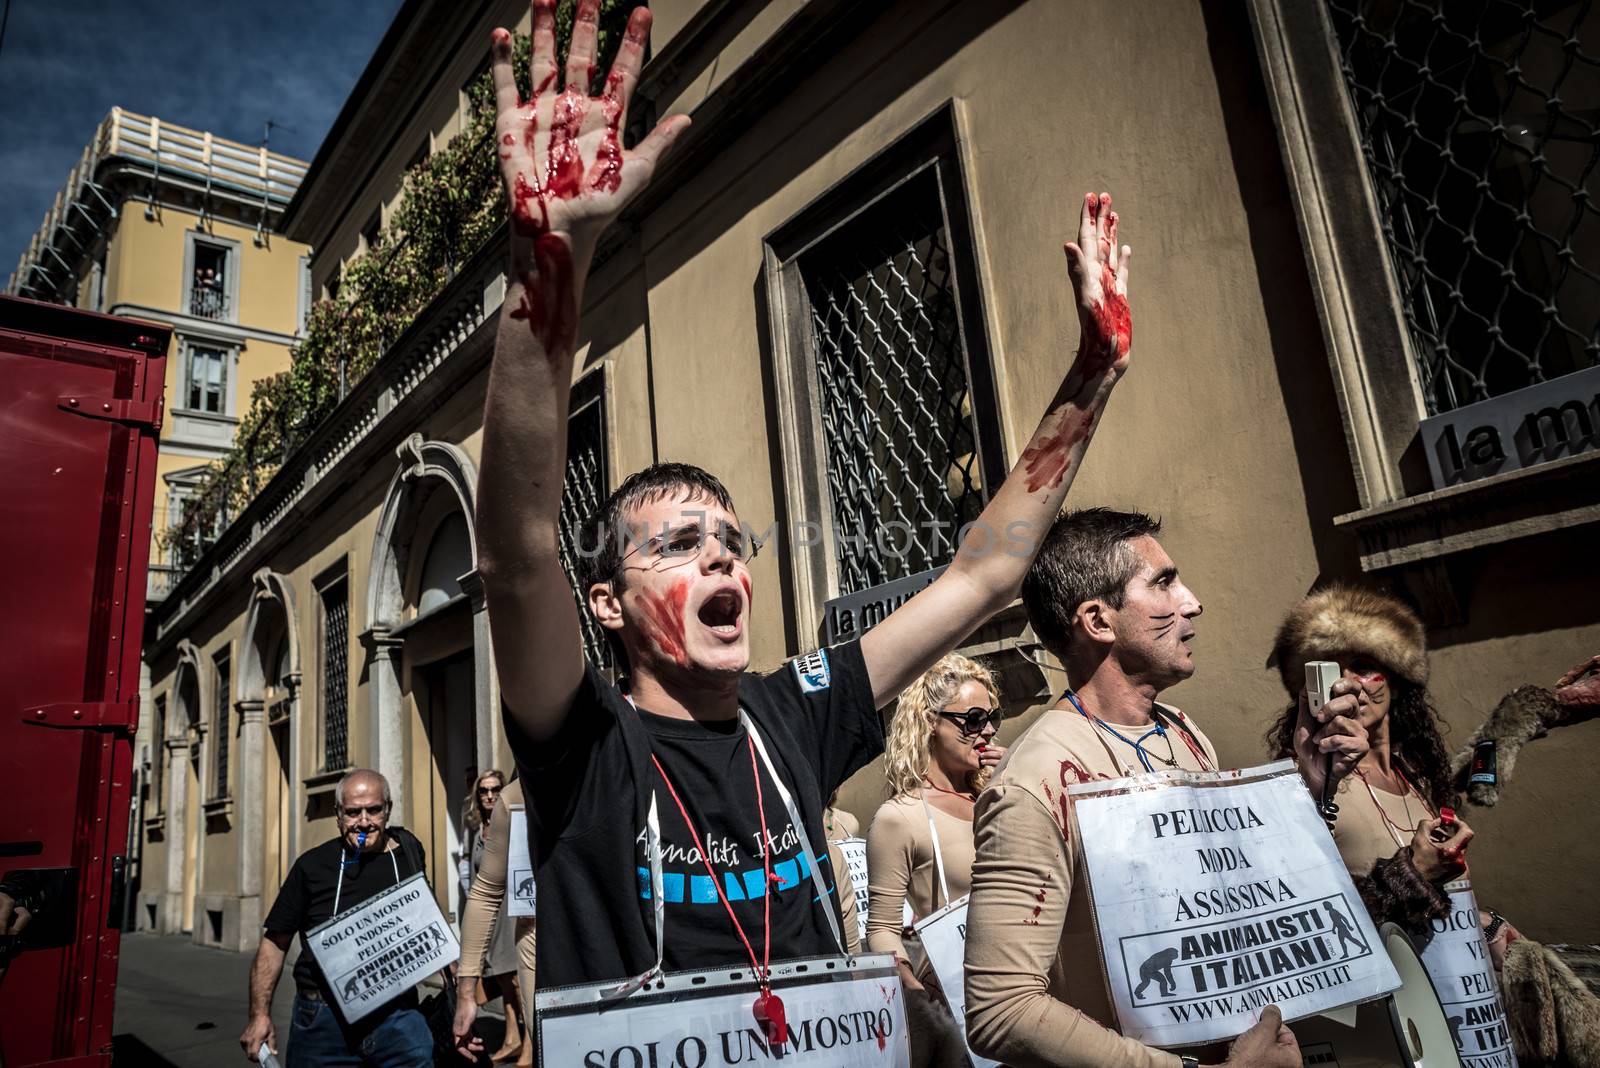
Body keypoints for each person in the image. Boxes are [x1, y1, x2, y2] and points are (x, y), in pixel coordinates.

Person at [477, 0, 1139, 1000]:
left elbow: (987, 570)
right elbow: (518, 549)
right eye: (680, 545)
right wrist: (550, 260)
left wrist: (1091, 375)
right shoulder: (584, 745)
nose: (721, 561)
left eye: (732, 543)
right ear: (605, 603)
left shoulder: (797, 714)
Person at [963, 509, 1372, 1068]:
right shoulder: (1033, 782)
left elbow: (1229, 890)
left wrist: (1310, 785)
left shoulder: (1183, 730)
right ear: (1098, 621)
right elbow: (1000, 1011)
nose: (1192, 601)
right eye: (1163, 583)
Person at [1264, 587, 1500, 951]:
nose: (1346, 684)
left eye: (1363, 666)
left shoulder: (1418, 779)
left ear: (1397, 679)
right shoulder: (1310, 785)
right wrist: (1414, 875)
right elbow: (1294, 920)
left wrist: (1487, 927)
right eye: (1329, 669)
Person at [239, 769, 451, 1066]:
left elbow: (427, 918)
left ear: (388, 810)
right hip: (324, 1024)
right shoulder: (312, 867)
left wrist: (460, 994)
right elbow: (275, 943)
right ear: (338, 815)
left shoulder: (409, 851)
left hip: (398, 1018)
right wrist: (259, 1015)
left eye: (374, 810)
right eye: (353, 812)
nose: (363, 822)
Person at [866, 653, 1006, 1068]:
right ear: (930, 722)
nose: (988, 731)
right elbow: (882, 928)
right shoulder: (901, 817)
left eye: (992, 717)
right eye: (974, 718)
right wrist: (916, 992)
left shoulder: (996, 796)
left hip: (1035, 989)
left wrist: (1014, 787)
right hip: (962, 1001)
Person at [453, 779, 537, 1065]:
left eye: (493, 789)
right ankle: (521, 1041)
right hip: (517, 919)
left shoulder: (624, 773)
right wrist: (466, 992)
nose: (489, 795)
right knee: (505, 977)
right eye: (483, 790)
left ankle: (522, 1042)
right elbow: (484, 889)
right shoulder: (513, 801)